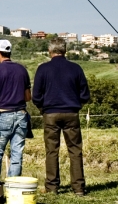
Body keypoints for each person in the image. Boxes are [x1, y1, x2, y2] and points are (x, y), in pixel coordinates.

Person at [32, 38, 90, 195]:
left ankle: (52, 188)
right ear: (65, 51)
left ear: (50, 52)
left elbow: (36, 95)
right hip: (72, 112)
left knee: (52, 151)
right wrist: (76, 105)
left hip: (50, 114)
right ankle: (78, 188)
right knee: (75, 150)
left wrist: (43, 108)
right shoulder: (76, 68)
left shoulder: (43, 69)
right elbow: (85, 94)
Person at [0, 39, 32, 181]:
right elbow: (28, 97)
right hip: (21, 115)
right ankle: (13, 189)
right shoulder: (22, 70)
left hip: (3, 115)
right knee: (17, 154)